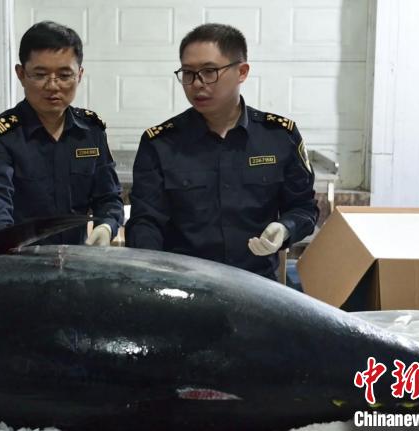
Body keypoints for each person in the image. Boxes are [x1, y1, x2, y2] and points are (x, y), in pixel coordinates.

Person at [126, 23, 318, 280]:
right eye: (188, 73)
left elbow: (304, 207)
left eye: (209, 72)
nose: (197, 84)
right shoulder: (161, 144)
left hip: (256, 286)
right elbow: (145, 221)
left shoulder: (279, 137)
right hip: (184, 286)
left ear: (242, 72)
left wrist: (285, 228)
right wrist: (151, 272)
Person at [0, 21, 123, 245]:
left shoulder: (91, 132)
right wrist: (4, 244)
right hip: (20, 258)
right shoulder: (1, 137)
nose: (53, 86)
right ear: (21, 74)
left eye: (64, 75)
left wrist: (106, 226)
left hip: (76, 258)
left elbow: (108, 196)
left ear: (79, 75)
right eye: (40, 75)